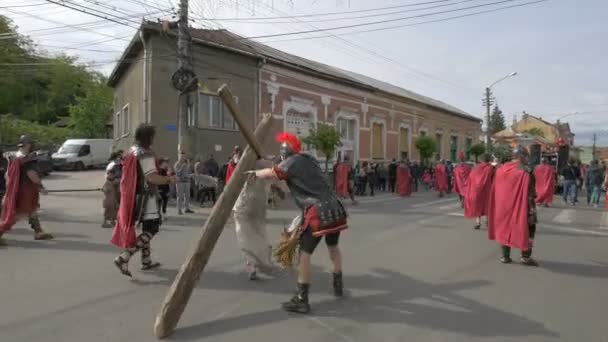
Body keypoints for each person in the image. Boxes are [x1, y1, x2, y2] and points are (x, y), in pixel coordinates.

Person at [251, 132, 348, 314]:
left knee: (305, 255)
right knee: (333, 247)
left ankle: (302, 299)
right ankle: (338, 285)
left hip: (318, 212)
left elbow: (274, 172)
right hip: (335, 208)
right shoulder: (309, 160)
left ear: (285, 153)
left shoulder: (292, 162)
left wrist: (254, 173)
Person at [111, 124, 177, 277]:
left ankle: (146, 260)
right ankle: (124, 257)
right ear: (149, 138)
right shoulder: (145, 154)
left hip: (136, 195)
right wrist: (169, 179)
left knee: (147, 228)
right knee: (152, 229)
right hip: (147, 197)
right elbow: (151, 177)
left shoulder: (132, 151)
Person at [488, 146, 539, 266]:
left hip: (503, 207)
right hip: (522, 205)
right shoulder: (526, 171)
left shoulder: (500, 169)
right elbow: (531, 193)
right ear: (521, 156)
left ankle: (505, 256)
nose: (527, 159)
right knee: (530, 229)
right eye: (526, 156)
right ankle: (525, 257)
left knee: (505, 228)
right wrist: (532, 210)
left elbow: (495, 188)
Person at [0, 135, 54, 245]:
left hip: (20, 189)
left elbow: (7, 175)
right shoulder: (27, 159)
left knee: (32, 209)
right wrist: (41, 187)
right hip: (26, 190)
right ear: (29, 145)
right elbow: (32, 174)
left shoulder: (15, 156)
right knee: (17, 214)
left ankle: (38, 231)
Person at [234, 159, 274, 280]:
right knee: (256, 237)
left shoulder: (254, 174)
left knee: (247, 238)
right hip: (251, 210)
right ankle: (257, 262)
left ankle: (254, 263)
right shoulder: (261, 175)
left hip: (248, 210)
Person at [464, 153, 494, 230]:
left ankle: (478, 222)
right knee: (487, 205)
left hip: (476, 189)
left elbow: (471, 177)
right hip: (487, 189)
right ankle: (487, 221)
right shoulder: (490, 168)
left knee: (478, 205)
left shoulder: (476, 168)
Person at [102, 151, 123, 228]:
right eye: (118, 157)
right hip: (112, 186)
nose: (119, 158)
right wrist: (115, 180)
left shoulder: (119, 165)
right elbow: (109, 176)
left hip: (117, 187)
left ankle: (113, 221)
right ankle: (108, 221)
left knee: (116, 205)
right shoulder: (113, 166)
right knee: (111, 205)